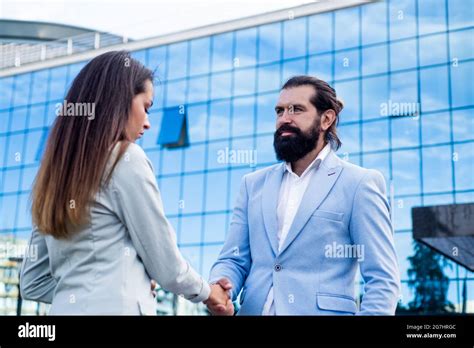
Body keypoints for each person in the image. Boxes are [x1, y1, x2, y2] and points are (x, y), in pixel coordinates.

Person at [19, 50, 230, 315]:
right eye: (146, 107)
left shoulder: (53, 176)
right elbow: (166, 265)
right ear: (118, 101)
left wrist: (87, 292)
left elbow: (32, 283)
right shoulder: (125, 158)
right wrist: (209, 292)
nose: (148, 123)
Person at [207, 75, 401, 315]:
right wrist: (221, 286)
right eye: (279, 111)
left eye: (296, 110)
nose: (284, 119)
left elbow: (383, 279)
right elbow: (233, 259)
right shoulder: (252, 184)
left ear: (326, 119)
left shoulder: (359, 184)